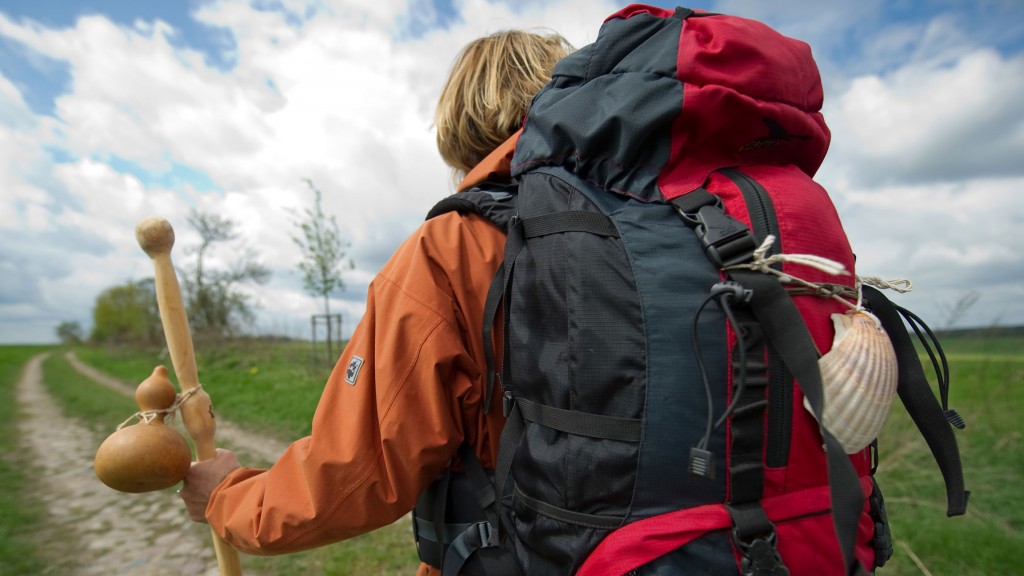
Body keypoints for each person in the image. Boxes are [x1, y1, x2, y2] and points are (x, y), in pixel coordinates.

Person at [179, 29, 573, 574]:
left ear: (462, 120)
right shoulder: (698, 236)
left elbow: (355, 471)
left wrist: (226, 498)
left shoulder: (452, 249)